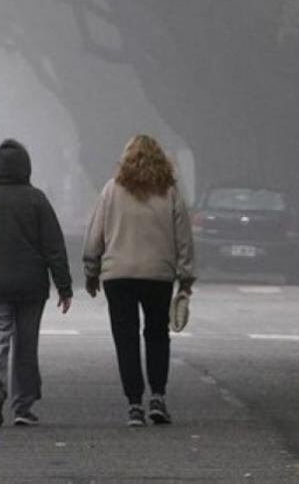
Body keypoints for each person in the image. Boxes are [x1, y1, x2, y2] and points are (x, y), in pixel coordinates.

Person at [0, 139, 73, 428]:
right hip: (31, 287)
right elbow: (54, 246)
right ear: (26, 167)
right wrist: (64, 285)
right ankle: (23, 405)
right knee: (26, 345)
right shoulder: (37, 200)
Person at [82, 134, 195, 427]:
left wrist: (91, 270)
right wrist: (185, 276)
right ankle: (157, 396)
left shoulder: (111, 190)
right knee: (157, 334)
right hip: (158, 274)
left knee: (126, 339)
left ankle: (134, 403)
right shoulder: (169, 192)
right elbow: (183, 237)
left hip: (118, 276)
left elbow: (95, 234)